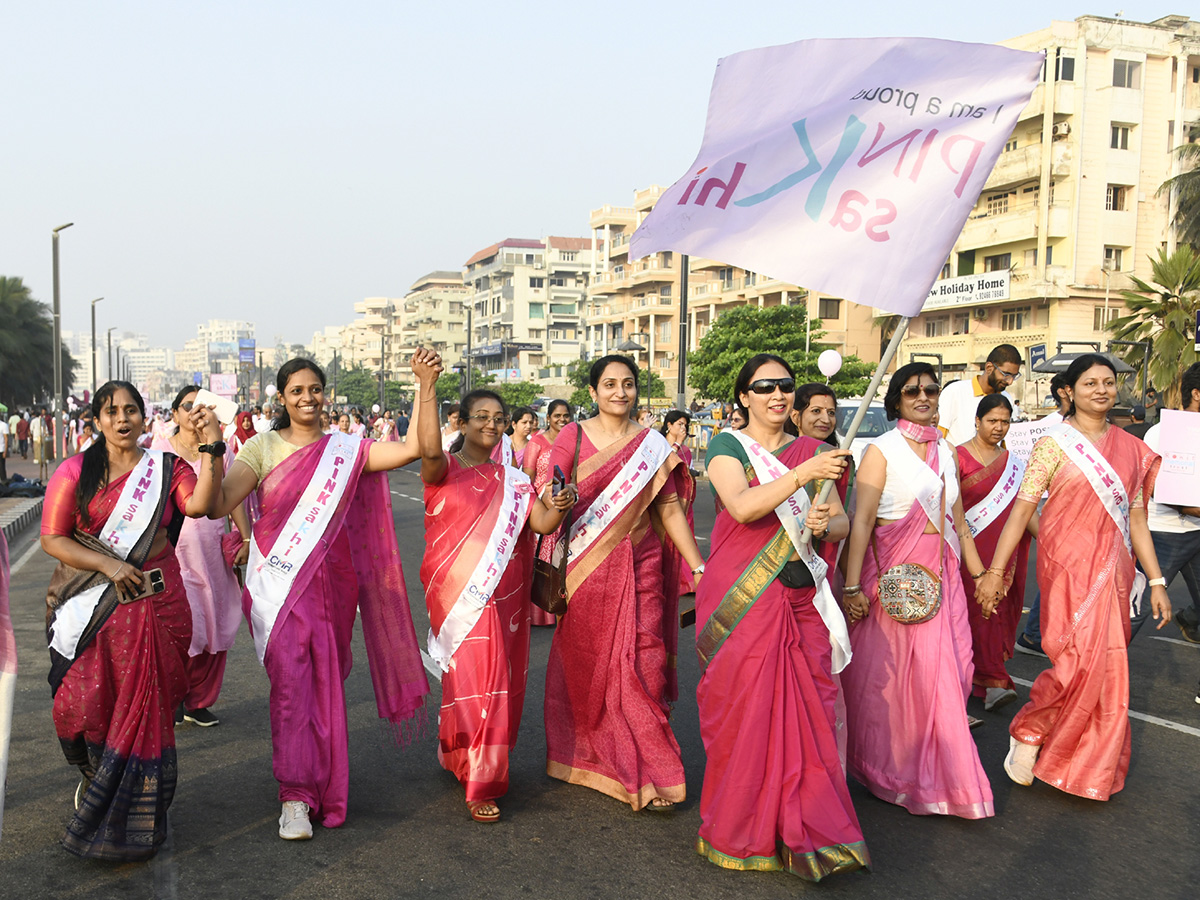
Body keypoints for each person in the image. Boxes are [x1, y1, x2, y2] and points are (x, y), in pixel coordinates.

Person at [207, 356, 430, 841]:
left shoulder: (346, 450)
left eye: (314, 389)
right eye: (296, 391)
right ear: (281, 398)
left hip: (332, 587)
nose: (307, 398)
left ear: (323, 393)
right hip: (280, 588)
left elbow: (415, 448)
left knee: (325, 685)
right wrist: (209, 451)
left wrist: (425, 383)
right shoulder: (260, 448)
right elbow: (217, 504)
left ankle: (323, 784)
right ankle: (294, 795)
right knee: (292, 687)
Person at [697, 355, 867, 881]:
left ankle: (809, 829)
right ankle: (742, 827)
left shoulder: (816, 452)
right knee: (746, 714)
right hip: (745, 596)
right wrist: (804, 476)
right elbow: (743, 506)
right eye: (764, 387)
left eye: (785, 386)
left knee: (810, 712)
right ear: (743, 396)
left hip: (803, 598)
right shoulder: (726, 447)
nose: (777, 395)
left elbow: (839, 522)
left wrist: (826, 520)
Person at [40, 380, 224, 859]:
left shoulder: (165, 469)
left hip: (160, 607)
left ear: (146, 418)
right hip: (95, 606)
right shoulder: (75, 471)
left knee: (149, 709)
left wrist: (213, 446)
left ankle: (139, 810)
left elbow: (201, 505)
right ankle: (98, 780)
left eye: (130, 411)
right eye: (110, 411)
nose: (122, 419)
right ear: (97, 421)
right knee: (80, 706)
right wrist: (109, 565)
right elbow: (53, 538)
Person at [978, 354, 1171, 798]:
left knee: (1108, 668)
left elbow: (1137, 518)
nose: (1101, 390)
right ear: (1070, 391)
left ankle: (1087, 766)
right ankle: (1028, 729)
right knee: (1072, 662)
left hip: (1114, 570)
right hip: (1065, 568)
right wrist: (994, 570)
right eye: (1090, 383)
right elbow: (1022, 511)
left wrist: (1157, 581)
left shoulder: (1132, 448)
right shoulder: (1054, 444)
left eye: (1108, 382)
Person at [544, 355, 706, 810]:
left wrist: (698, 566)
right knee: (589, 667)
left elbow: (669, 509)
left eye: (628, 384)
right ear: (592, 392)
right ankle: (591, 756)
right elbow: (549, 488)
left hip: (644, 566)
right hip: (586, 568)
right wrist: (558, 496)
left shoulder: (651, 445)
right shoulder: (572, 436)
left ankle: (654, 773)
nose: (620, 392)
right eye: (610, 384)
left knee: (644, 666)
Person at [417, 377, 576, 823]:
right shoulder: (442, 468)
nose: (491, 424)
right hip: (457, 592)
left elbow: (542, 524)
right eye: (481, 417)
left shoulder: (515, 480)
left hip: (505, 593)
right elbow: (427, 450)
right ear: (462, 423)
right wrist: (426, 385)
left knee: (493, 680)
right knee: (475, 678)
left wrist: (560, 502)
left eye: (498, 419)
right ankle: (481, 782)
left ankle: (460, 755)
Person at [840, 362, 994, 819]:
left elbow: (959, 523)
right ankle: (906, 773)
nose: (923, 397)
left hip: (940, 578)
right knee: (895, 683)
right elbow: (862, 522)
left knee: (955, 670)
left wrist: (983, 574)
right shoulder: (880, 451)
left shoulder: (946, 451)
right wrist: (851, 586)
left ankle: (926, 767)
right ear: (896, 400)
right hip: (893, 581)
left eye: (930, 390)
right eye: (912, 392)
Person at [151, 386, 251, 727]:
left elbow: (232, 496)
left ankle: (198, 702)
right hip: (172, 554)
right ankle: (174, 695)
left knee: (216, 624)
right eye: (188, 406)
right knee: (182, 628)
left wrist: (247, 537)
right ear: (175, 414)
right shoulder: (159, 452)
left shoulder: (221, 453)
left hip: (211, 552)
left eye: (203, 406)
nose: (195, 413)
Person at [956, 394, 1037, 713]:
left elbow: (1025, 510)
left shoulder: (1015, 465)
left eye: (1005, 421)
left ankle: (986, 679)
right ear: (977, 421)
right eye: (992, 420)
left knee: (995, 612)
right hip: (967, 551)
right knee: (971, 613)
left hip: (1004, 554)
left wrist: (1052, 539)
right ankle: (989, 680)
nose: (998, 427)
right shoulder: (958, 457)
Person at [1130, 364, 1200, 643]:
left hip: (1196, 530)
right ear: (1196, 393)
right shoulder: (1161, 433)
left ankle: (1191, 618)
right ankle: (1097, 672)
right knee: (1135, 610)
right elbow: (1162, 491)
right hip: (1162, 534)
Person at [1015, 373, 1071, 658]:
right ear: (1065, 391)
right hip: (1046, 505)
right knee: (1056, 568)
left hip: (1076, 508)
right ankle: (1034, 633)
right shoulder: (1045, 428)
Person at [522, 400, 572, 627]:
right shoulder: (537, 442)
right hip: (541, 507)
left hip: (563, 505)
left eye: (566, 416)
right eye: (557, 416)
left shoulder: (572, 442)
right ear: (548, 418)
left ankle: (557, 604)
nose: (562, 420)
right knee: (539, 557)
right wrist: (536, 500)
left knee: (561, 558)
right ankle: (536, 609)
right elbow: (528, 474)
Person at [938, 344, 1022, 445]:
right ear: (989, 368)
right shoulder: (955, 391)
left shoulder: (1006, 398)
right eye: (1006, 375)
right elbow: (938, 437)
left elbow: (1003, 443)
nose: (1010, 382)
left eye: (1014, 376)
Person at [661, 410, 699, 595]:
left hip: (685, 498)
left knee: (687, 537)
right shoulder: (661, 445)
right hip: (666, 501)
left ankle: (688, 578)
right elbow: (664, 467)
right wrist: (676, 444)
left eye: (685, 425)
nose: (683, 428)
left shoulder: (685, 450)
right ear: (669, 425)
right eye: (679, 424)